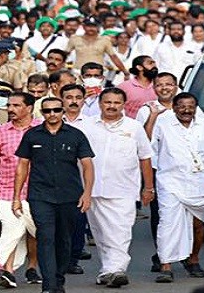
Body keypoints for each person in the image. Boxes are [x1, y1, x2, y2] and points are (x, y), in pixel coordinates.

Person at [12, 95, 95, 293]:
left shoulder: (76, 135)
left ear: (62, 111)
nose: (52, 114)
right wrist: (16, 197)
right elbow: (22, 166)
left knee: (64, 239)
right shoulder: (32, 135)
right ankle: (49, 285)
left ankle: (58, 279)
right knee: (45, 236)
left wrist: (87, 193)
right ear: (42, 113)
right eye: (47, 111)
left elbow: (87, 165)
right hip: (40, 195)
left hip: (70, 196)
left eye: (56, 110)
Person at [77, 87, 153, 288]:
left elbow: (145, 157)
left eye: (116, 103)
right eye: (107, 102)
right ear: (100, 103)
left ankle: (117, 270)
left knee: (120, 232)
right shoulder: (86, 126)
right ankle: (107, 270)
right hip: (92, 190)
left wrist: (149, 188)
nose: (111, 106)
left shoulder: (134, 127)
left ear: (123, 105)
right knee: (100, 232)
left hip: (124, 190)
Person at [149, 91, 204, 283]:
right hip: (170, 182)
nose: (186, 110)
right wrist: (148, 185)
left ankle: (193, 259)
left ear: (196, 108)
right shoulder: (163, 124)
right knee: (167, 222)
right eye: (181, 106)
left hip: (199, 182)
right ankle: (166, 265)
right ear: (174, 108)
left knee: (197, 224)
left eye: (190, 106)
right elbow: (149, 150)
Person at [0, 90, 42, 289]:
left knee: (34, 232)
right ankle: (7, 270)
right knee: (12, 228)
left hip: (37, 190)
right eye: (9, 106)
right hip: (7, 190)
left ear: (29, 108)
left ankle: (32, 266)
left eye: (16, 105)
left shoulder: (41, 129)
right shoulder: (0, 132)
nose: (10, 109)